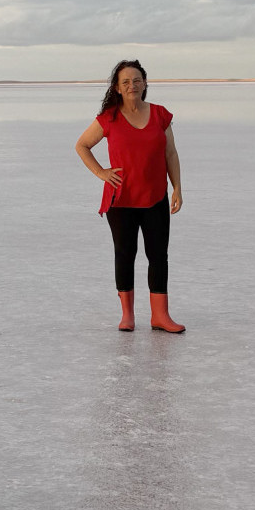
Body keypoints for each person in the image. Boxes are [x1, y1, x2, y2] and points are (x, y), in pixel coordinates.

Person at [74, 59, 185, 333]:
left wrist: (177, 188)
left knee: (158, 255)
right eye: (126, 82)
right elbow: (82, 145)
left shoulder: (160, 115)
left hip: (155, 196)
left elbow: (170, 153)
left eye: (137, 80)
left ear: (145, 84)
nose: (132, 85)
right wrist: (101, 173)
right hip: (121, 199)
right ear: (117, 88)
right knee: (125, 254)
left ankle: (160, 315)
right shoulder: (108, 118)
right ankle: (127, 315)